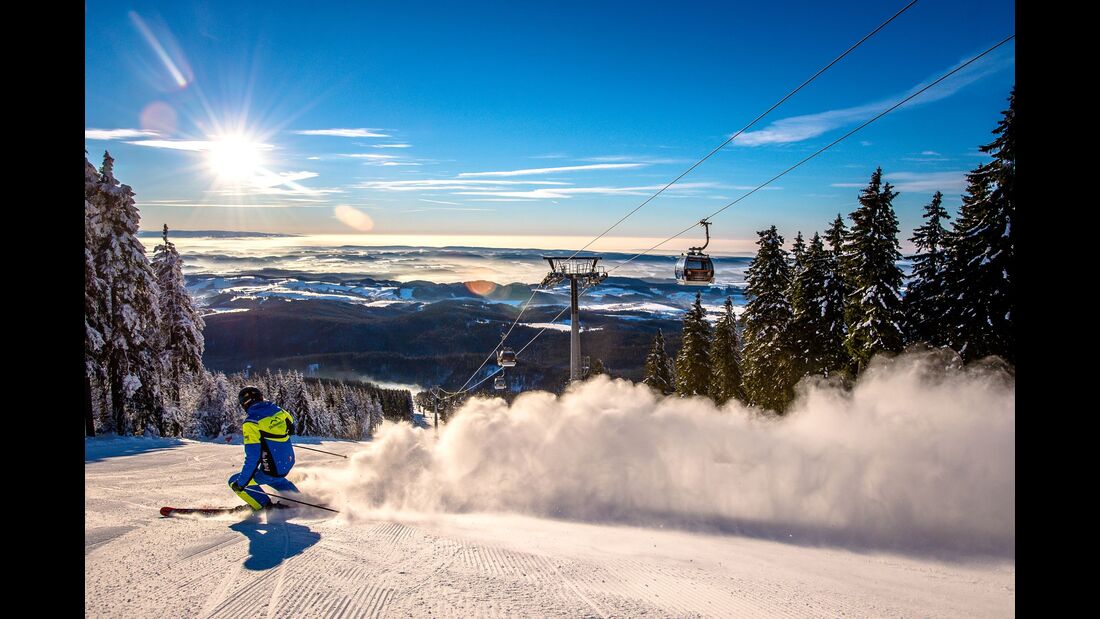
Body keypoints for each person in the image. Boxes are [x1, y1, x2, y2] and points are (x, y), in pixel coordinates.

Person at [228, 386, 301, 510]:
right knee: (275, 478)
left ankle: (263, 506)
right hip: (287, 461)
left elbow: (253, 457)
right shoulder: (278, 410)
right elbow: (291, 428)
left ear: (244, 404)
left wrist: (241, 484)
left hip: (273, 467)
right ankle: (298, 499)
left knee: (234, 481)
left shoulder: (251, 422)